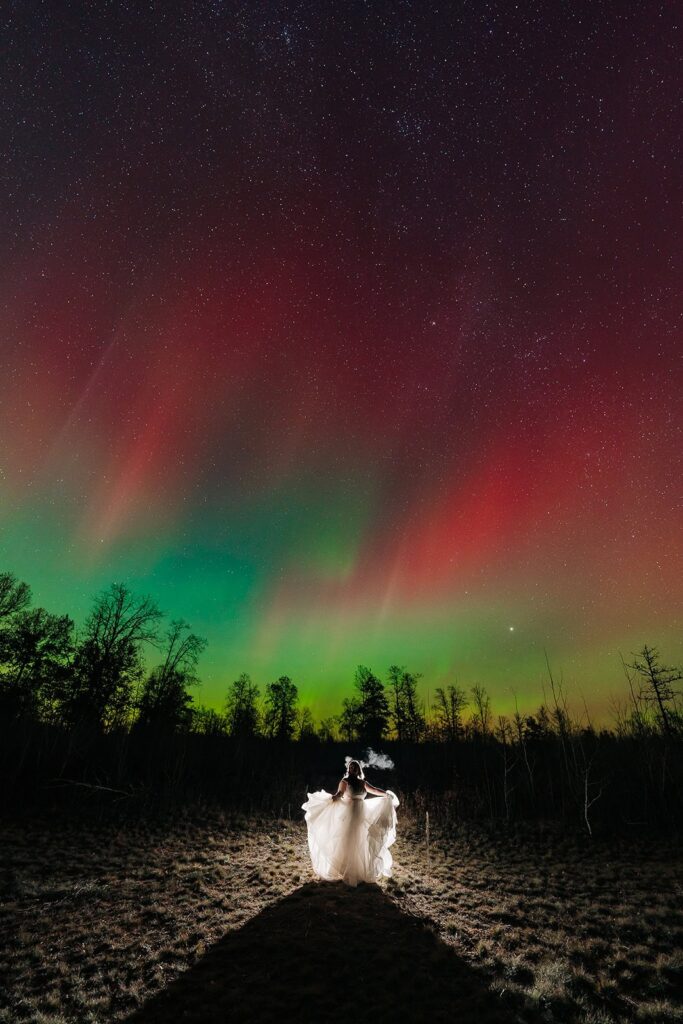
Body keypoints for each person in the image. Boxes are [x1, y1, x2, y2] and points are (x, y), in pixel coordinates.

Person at [301, 758, 399, 887]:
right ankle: (346, 869)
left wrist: (386, 794)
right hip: (350, 813)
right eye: (351, 767)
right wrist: (333, 798)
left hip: (362, 813)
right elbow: (340, 793)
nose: (353, 769)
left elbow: (374, 790)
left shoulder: (362, 782)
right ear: (348, 769)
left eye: (355, 767)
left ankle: (359, 871)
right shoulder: (345, 781)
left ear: (358, 769)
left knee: (361, 839)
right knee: (349, 839)